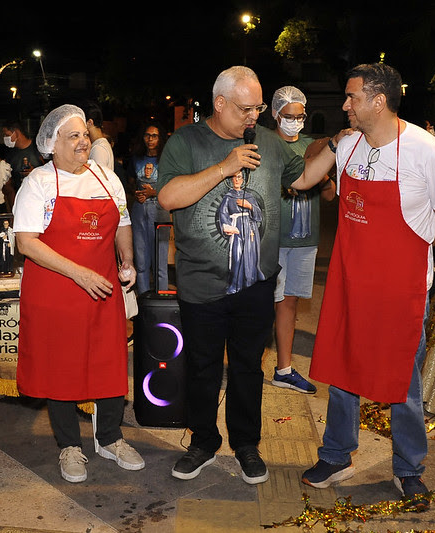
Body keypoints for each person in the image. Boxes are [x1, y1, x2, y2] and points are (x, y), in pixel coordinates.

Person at [294, 63, 435, 511]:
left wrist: (410, 253)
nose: (344, 105)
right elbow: (305, 173)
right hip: (352, 284)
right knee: (344, 370)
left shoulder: (428, 151)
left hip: (401, 290)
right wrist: (329, 142)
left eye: (351, 97)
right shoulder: (348, 145)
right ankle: (335, 455)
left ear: (378, 100)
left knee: (402, 384)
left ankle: (408, 469)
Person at [156, 66, 304, 485]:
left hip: (256, 283)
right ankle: (203, 441)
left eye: (258, 108)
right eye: (245, 108)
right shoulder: (185, 142)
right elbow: (168, 196)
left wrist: (343, 145)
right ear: (219, 103)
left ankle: (246, 444)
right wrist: (224, 167)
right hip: (202, 282)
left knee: (247, 367)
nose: (253, 116)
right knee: (202, 366)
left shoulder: (270, 144)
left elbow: (306, 176)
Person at [13, 104, 144, 483]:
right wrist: (78, 273)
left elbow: (122, 221)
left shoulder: (107, 178)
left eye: (85, 135)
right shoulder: (38, 182)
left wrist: (127, 260)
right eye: (73, 137)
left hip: (102, 290)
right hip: (56, 292)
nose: (84, 142)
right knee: (62, 368)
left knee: (108, 363)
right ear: (52, 144)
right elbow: (26, 243)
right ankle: (69, 446)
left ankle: (110, 438)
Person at [270, 86, 335, 395]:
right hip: (271, 238)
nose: (295, 122)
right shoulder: (266, 145)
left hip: (304, 241)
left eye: (300, 116)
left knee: (290, 303)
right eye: (288, 116)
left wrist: (321, 177)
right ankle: (245, 366)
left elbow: (330, 193)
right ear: (275, 114)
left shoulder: (314, 146)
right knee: (260, 303)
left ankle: (283, 369)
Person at [128, 120, 171, 295]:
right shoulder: (136, 158)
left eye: (154, 136)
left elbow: (172, 185)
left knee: (160, 260)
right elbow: (130, 182)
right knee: (141, 258)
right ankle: (144, 299)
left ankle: (161, 298)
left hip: (159, 210)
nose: (150, 139)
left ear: (160, 138)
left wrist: (153, 192)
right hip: (139, 210)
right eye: (147, 135)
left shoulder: (167, 160)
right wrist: (136, 192)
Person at [2, 120, 44, 191]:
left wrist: (34, 172)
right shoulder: (10, 154)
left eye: (7, 135)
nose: (5, 138)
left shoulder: (38, 148)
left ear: (17, 133)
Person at [81, 100, 115, 170]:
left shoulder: (98, 149)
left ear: (90, 122)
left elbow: (97, 178)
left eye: (81, 123)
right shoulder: (100, 145)